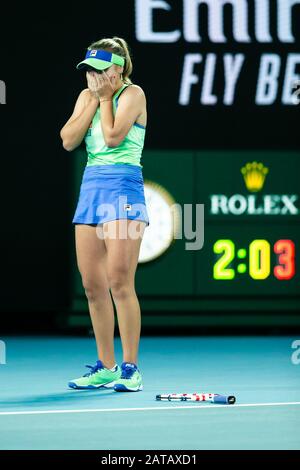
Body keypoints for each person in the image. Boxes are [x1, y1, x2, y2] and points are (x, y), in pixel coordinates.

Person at [60, 37, 149, 392]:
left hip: (124, 187)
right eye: (89, 70)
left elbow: (112, 137)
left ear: (119, 68)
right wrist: (94, 101)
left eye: (101, 70)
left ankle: (130, 368)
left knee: (119, 281)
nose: (94, 77)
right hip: (92, 188)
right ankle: (106, 366)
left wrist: (106, 99)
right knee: (92, 286)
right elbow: (68, 139)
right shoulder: (87, 97)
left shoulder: (133, 94)